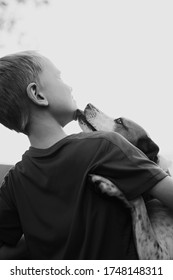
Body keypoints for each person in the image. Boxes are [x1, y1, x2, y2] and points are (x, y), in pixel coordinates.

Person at [0, 51, 172, 260]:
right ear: (37, 95)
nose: (69, 86)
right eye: (59, 77)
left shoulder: (14, 182)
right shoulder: (104, 145)